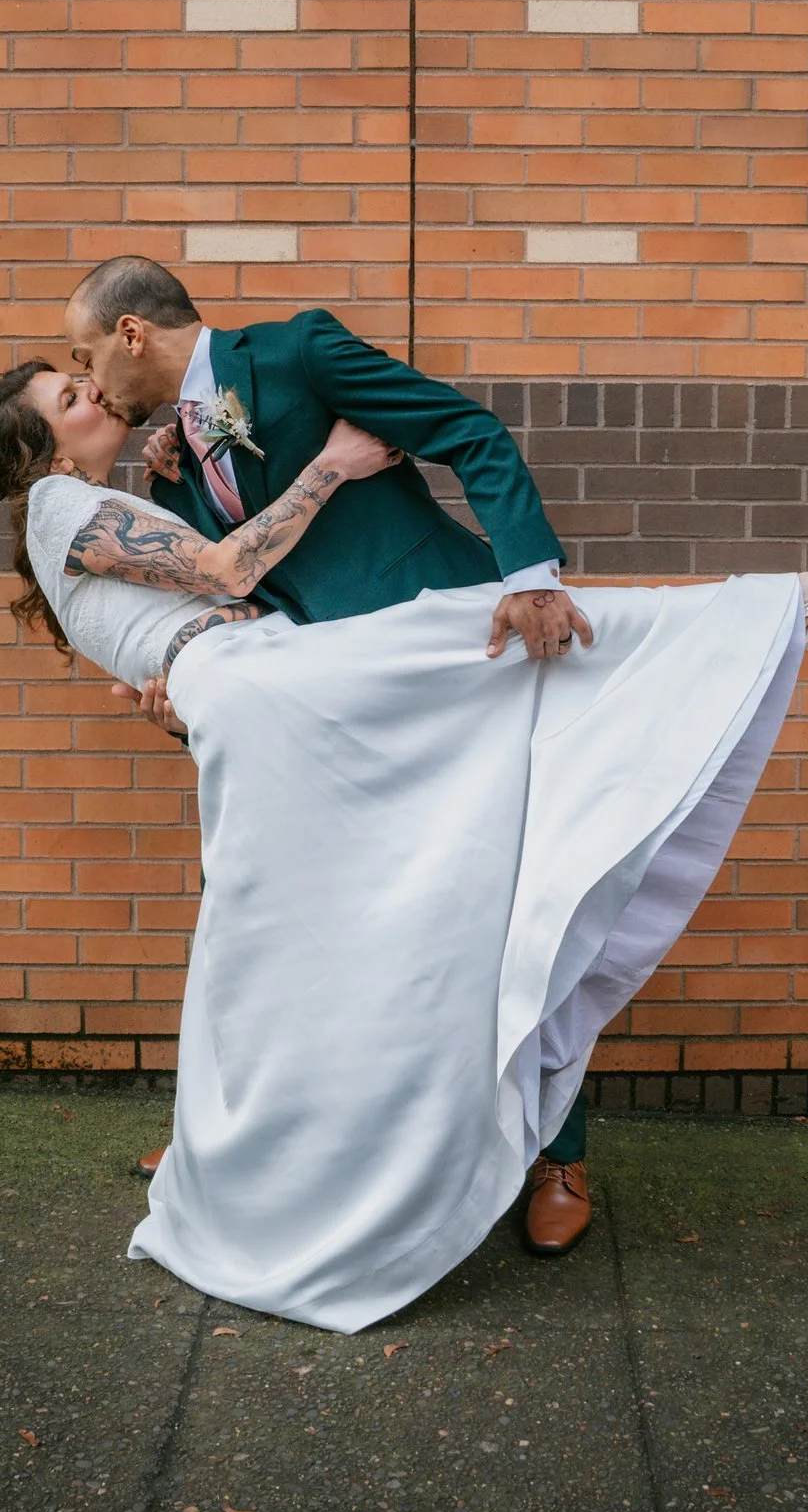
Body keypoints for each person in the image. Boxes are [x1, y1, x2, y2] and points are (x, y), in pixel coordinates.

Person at [0, 356, 808, 1336]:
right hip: (257, 687)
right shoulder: (57, 504)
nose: (90, 392)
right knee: (471, 642)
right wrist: (336, 465)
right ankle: (763, 614)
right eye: (68, 397)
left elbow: (172, 617)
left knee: (302, 946)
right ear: (41, 450)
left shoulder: (91, 506)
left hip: (245, 696)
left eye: (83, 378)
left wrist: (170, 484)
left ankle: (269, 1168)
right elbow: (227, 573)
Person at [59, 255, 615, 1256]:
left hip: (455, 672)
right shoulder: (177, 454)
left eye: (85, 353)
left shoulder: (301, 352)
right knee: (311, 929)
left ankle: (556, 1159)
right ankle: (259, 1147)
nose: (89, 380)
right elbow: (241, 580)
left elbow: (468, 433)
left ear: (133, 333)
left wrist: (529, 575)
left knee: (512, 914)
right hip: (331, 717)